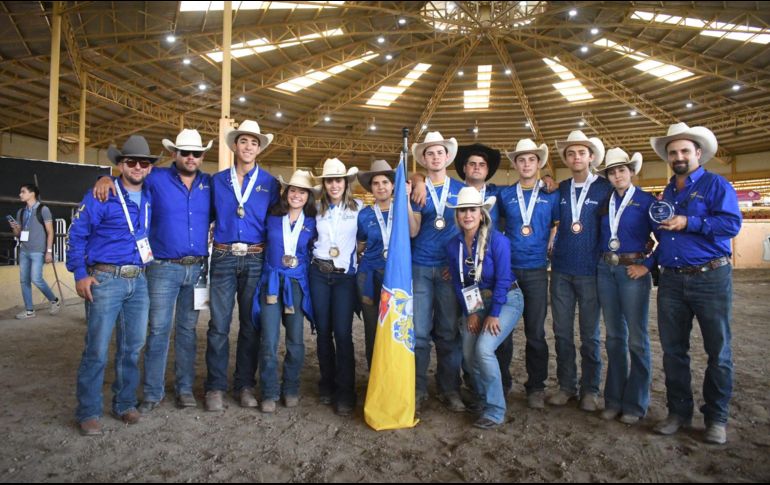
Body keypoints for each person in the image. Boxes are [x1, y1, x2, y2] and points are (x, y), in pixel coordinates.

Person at [96, 129, 214, 412]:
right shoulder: (156, 177)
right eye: (185, 152)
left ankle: (184, 388)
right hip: (163, 267)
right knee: (159, 330)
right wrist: (105, 178)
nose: (190, 157)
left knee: (187, 331)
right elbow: (128, 183)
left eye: (196, 153)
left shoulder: (210, 184)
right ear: (175, 153)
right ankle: (153, 391)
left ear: (201, 157)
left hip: (197, 268)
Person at [648, 123, 741, 445]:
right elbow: (665, 233)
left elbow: (731, 225)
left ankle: (716, 418)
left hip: (710, 277)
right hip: (672, 281)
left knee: (719, 351)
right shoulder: (669, 191)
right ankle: (679, 412)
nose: (679, 156)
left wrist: (691, 221)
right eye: (673, 152)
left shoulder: (717, 185)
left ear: (698, 153)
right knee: (674, 351)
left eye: (685, 151)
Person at [66, 135, 157, 436]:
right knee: (97, 349)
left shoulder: (149, 197)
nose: (137, 166)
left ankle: (124, 403)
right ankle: (89, 411)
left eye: (143, 162)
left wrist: (103, 176)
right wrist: (80, 274)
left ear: (149, 168)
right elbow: (76, 235)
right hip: (105, 279)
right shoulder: (100, 195)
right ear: (120, 164)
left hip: (139, 280)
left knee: (132, 347)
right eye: (130, 161)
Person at [206, 120, 280, 412]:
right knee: (218, 326)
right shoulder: (217, 181)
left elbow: (278, 221)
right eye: (244, 141)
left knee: (251, 326)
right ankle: (214, 386)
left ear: (259, 149)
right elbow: (206, 215)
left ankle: (245, 385)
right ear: (235, 146)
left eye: (254, 143)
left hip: (255, 257)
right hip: (223, 256)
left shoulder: (271, 184)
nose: (248, 147)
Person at [445, 187, 524, 429]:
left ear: (481, 213)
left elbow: (502, 279)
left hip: (507, 298)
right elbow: (460, 283)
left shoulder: (498, 240)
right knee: (468, 353)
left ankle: (495, 409)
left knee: (484, 349)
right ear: (457, 216)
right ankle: (481, 397)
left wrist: (494, 313)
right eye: (462, 211)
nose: (467, 215)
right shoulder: (453, 246)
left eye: (472, 210)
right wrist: (473, 312)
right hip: (477, 301)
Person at [549, 130, 612, 412]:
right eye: (571, 153)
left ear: (591, 157)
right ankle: (566, 386)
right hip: (560, 271)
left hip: (590, 271)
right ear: (565, 158)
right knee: (562, 333)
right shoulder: (559, 189)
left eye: (581, 153)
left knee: (590, 335)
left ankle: (590, 389)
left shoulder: (605, 188)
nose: (576, 157)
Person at [595, 148, 656, 425]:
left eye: (621, 170)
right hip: (607, 270)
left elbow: (667, 237)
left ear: (631, 172)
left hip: (633, 271)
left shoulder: (646, 201)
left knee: (637, 339)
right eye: (612, 171)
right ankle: (613, 399)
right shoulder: (605, 201)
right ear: (607, 176)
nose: (617, 175)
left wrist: (647, 265)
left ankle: (635, 402)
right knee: (614, 338)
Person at [498, 139, 560, 409]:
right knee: (504, 330)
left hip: (536, 270)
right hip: (509, 271)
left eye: (531, 160)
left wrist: (553, 237)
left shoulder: (551, 193)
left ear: (539, 163)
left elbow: (558, 224)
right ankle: (501, 382)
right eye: (521, 160)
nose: (526, 164)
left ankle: (536, 386)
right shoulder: (504, 195)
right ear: (514, 164)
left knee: (536, 332)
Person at [408, 131, 466, 413]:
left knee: (447, 331)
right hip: (420, 265)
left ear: (447, 157)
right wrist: (408, 200)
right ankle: (418, 388)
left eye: (439, 153)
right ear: (424, 159)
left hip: (448, 269)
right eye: (429, 153)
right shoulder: (418, 189)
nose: (435, 157)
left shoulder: (459, 189)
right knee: (418, 333)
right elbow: (413, 230)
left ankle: (449, 388)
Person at [256, 170, 318, 413]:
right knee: (269, 339)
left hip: (296, 284)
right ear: (286, 193)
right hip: (271, 282)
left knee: (295, 340)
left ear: (308, 197)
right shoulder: (271, 218)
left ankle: (290, 387)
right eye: (293, 190)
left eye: (302, 191)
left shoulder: (313, 224)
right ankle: (270, 391)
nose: (297, 195)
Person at [310, 158, 362, 417]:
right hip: (319, 273)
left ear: (345, 183)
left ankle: (345, 390)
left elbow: (367, 238)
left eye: (338, 180)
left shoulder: (359, 209)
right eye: (329, 180)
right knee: (323, 332)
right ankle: (326, 384)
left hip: (345, 278)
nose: (334, 185)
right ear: (324, 183)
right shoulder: (315, 209)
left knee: (342, 334)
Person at [356, 159, 396, 370]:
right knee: (372, 328)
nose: (381, 187)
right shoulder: (364, 215)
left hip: (395, 276)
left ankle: (394, 374)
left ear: (392, 186)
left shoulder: (402, 212)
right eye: (376, 183)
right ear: (371, 187)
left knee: (395, 326)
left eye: (385, 182)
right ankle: (374, 375)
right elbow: (361, 244)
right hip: (369, 275)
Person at [8, 183, 60, 319]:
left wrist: (48, 251)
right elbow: (18, 234)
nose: (20, 194)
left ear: (32, 194)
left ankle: (54, 300)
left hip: (38, 251)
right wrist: (14, 227)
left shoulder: (43, 210)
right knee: (24, 280)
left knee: (36, 278)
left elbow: (50, 232)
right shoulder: (21, 212)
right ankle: (29, 310)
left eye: (23, 192)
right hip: (24, 250)